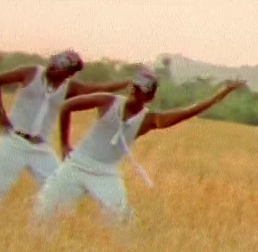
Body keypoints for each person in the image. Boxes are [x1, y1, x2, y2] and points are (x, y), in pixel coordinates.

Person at [30, 70, 243, 231]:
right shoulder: (108, 101)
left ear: (148, 97)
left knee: (122, 222)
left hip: (106, 173)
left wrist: (219, 96)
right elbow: (67, 106)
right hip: (77, 164)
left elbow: (188, 112)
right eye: (134, 86)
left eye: (140, 89)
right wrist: (65, 144)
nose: (134, 91)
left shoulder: (149, 120)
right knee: (45, 209)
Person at [0, 50, 130, 207]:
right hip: (13, 140)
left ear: (69, 74)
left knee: (59, 187)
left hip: (41, 147)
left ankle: (36, 213)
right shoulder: (31, 73)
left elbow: (96, 89)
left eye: (61, 67)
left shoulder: (69, 88)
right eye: (55, 62)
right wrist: (0, 111)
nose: (53, 67)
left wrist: (126, 84)